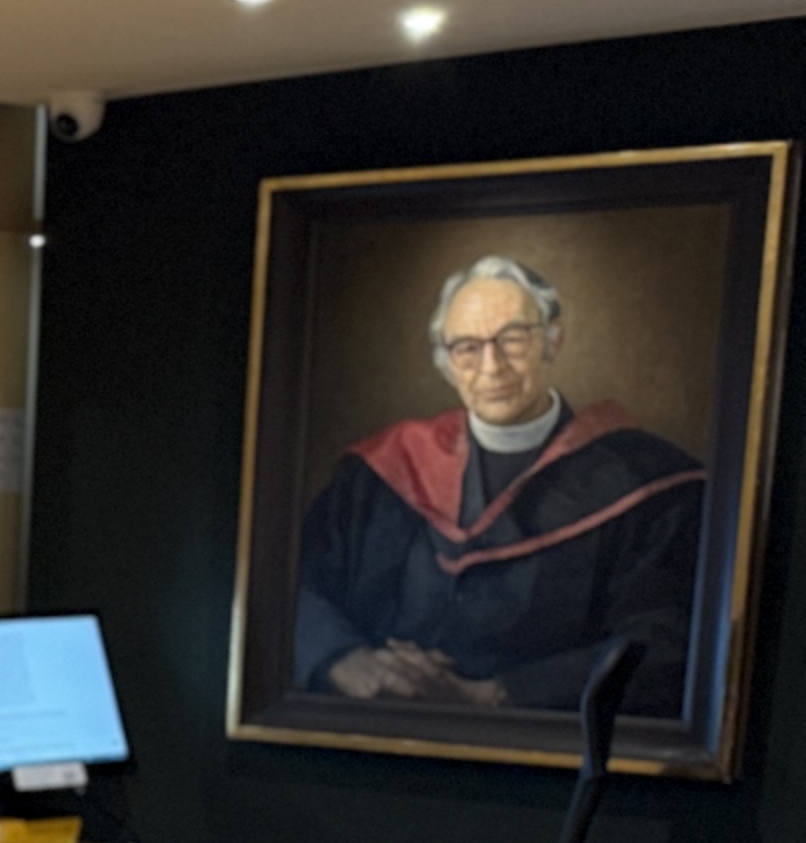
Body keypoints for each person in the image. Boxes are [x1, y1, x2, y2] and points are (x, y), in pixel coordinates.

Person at [293, 254, 704, 716]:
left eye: (512, 339)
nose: (491, 366)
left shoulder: (646, 483)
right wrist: (343, 659)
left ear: (553, 339)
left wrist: (499, 694)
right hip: (372, 738)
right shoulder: (380, 471)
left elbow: (667, 640)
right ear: (446, 363)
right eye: (467, 347)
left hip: (539, 752)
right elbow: (291, 583)